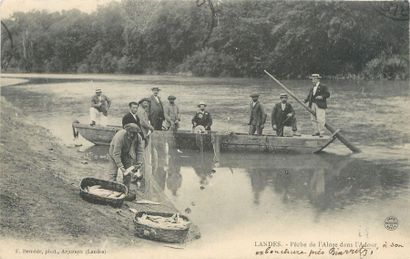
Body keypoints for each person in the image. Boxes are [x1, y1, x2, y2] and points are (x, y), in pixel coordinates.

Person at [108, 123, 144, 201]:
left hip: (126, 153)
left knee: (128, 174)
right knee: (113, 173)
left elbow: (140, 150)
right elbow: (116, 154)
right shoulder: (120, 137)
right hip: (114, 152)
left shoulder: (138, 138)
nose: (131, 135)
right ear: (127, 131)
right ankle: (111, 191)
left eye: (134, 133)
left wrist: (139, 162)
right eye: (130, 133)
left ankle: (125, 192)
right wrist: (121, 167)